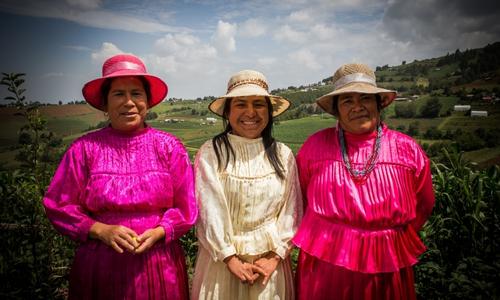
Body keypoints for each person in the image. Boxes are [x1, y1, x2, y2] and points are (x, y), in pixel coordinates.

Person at [43, 54, 197, 300]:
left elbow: (187, 206)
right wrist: (100, 229)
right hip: (101, 264)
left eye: (136, 93)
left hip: (158, 263)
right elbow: (58, 205)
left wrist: (160, 231)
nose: (128, 102)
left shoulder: (169, 148)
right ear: (104, 103)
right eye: (118, 94)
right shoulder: (84, 149)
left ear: (147, 101)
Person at [293, 63, 435, 300]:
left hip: (385, 267)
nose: (357, 107)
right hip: (326, 269)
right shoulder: (314, 147)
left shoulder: (407, 150)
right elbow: (302, 200)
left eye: (365, 98)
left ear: (379, 103)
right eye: (347, 100)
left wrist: (382, 236)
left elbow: (424, 204)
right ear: (336, 110)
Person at [191, 70, 303, 299]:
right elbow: (208, 210)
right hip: (221, 265)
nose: (250, 112)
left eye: (259, 105)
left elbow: (292, 210)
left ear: (269, 112)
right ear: (228, 111)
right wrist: (229, 257)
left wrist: (275, 257)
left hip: (268, 268)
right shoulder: (211, 153)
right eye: (241, 104)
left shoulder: (283, 155)